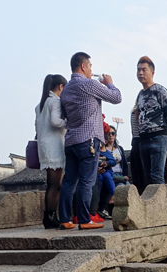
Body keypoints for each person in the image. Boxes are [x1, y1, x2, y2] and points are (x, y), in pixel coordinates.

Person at [59, 52, 121, 230]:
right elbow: (116, 97)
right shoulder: (90, 84)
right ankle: (84, 219)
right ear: (84, 66)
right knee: (87, 181)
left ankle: (65, 219)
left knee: (69, 181)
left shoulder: (66, 89)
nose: (91, 69)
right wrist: (109, 83)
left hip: (71, 140)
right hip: (88, 141)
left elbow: (64, 115)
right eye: (91, 66)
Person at [135, 56, 167, 186]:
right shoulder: (140, 94)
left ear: (152, 72)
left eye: (144, 70)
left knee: (157, 176)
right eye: (138, 70)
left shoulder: (160, 90)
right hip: (143, 139)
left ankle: (161, 206)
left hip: (159, 137)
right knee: (147, 178)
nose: (141, 73)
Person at [35, 74, 67, 229]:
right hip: (54, 146)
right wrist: (69, 122)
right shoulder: (55, 101)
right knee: (54, 185)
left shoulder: (40, 104)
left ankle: (51, 216)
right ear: (61, 87)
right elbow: (55, 122)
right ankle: (50, 217)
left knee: (53, 184)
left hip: (44, 146)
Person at [96, 139, 117, 220]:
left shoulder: (107, 153)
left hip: (107, 171)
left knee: (108, 178)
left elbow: (113, 161)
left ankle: (113, 194)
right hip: (98, 173)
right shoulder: (95, 151)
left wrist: (107, 163)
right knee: (100, 179)